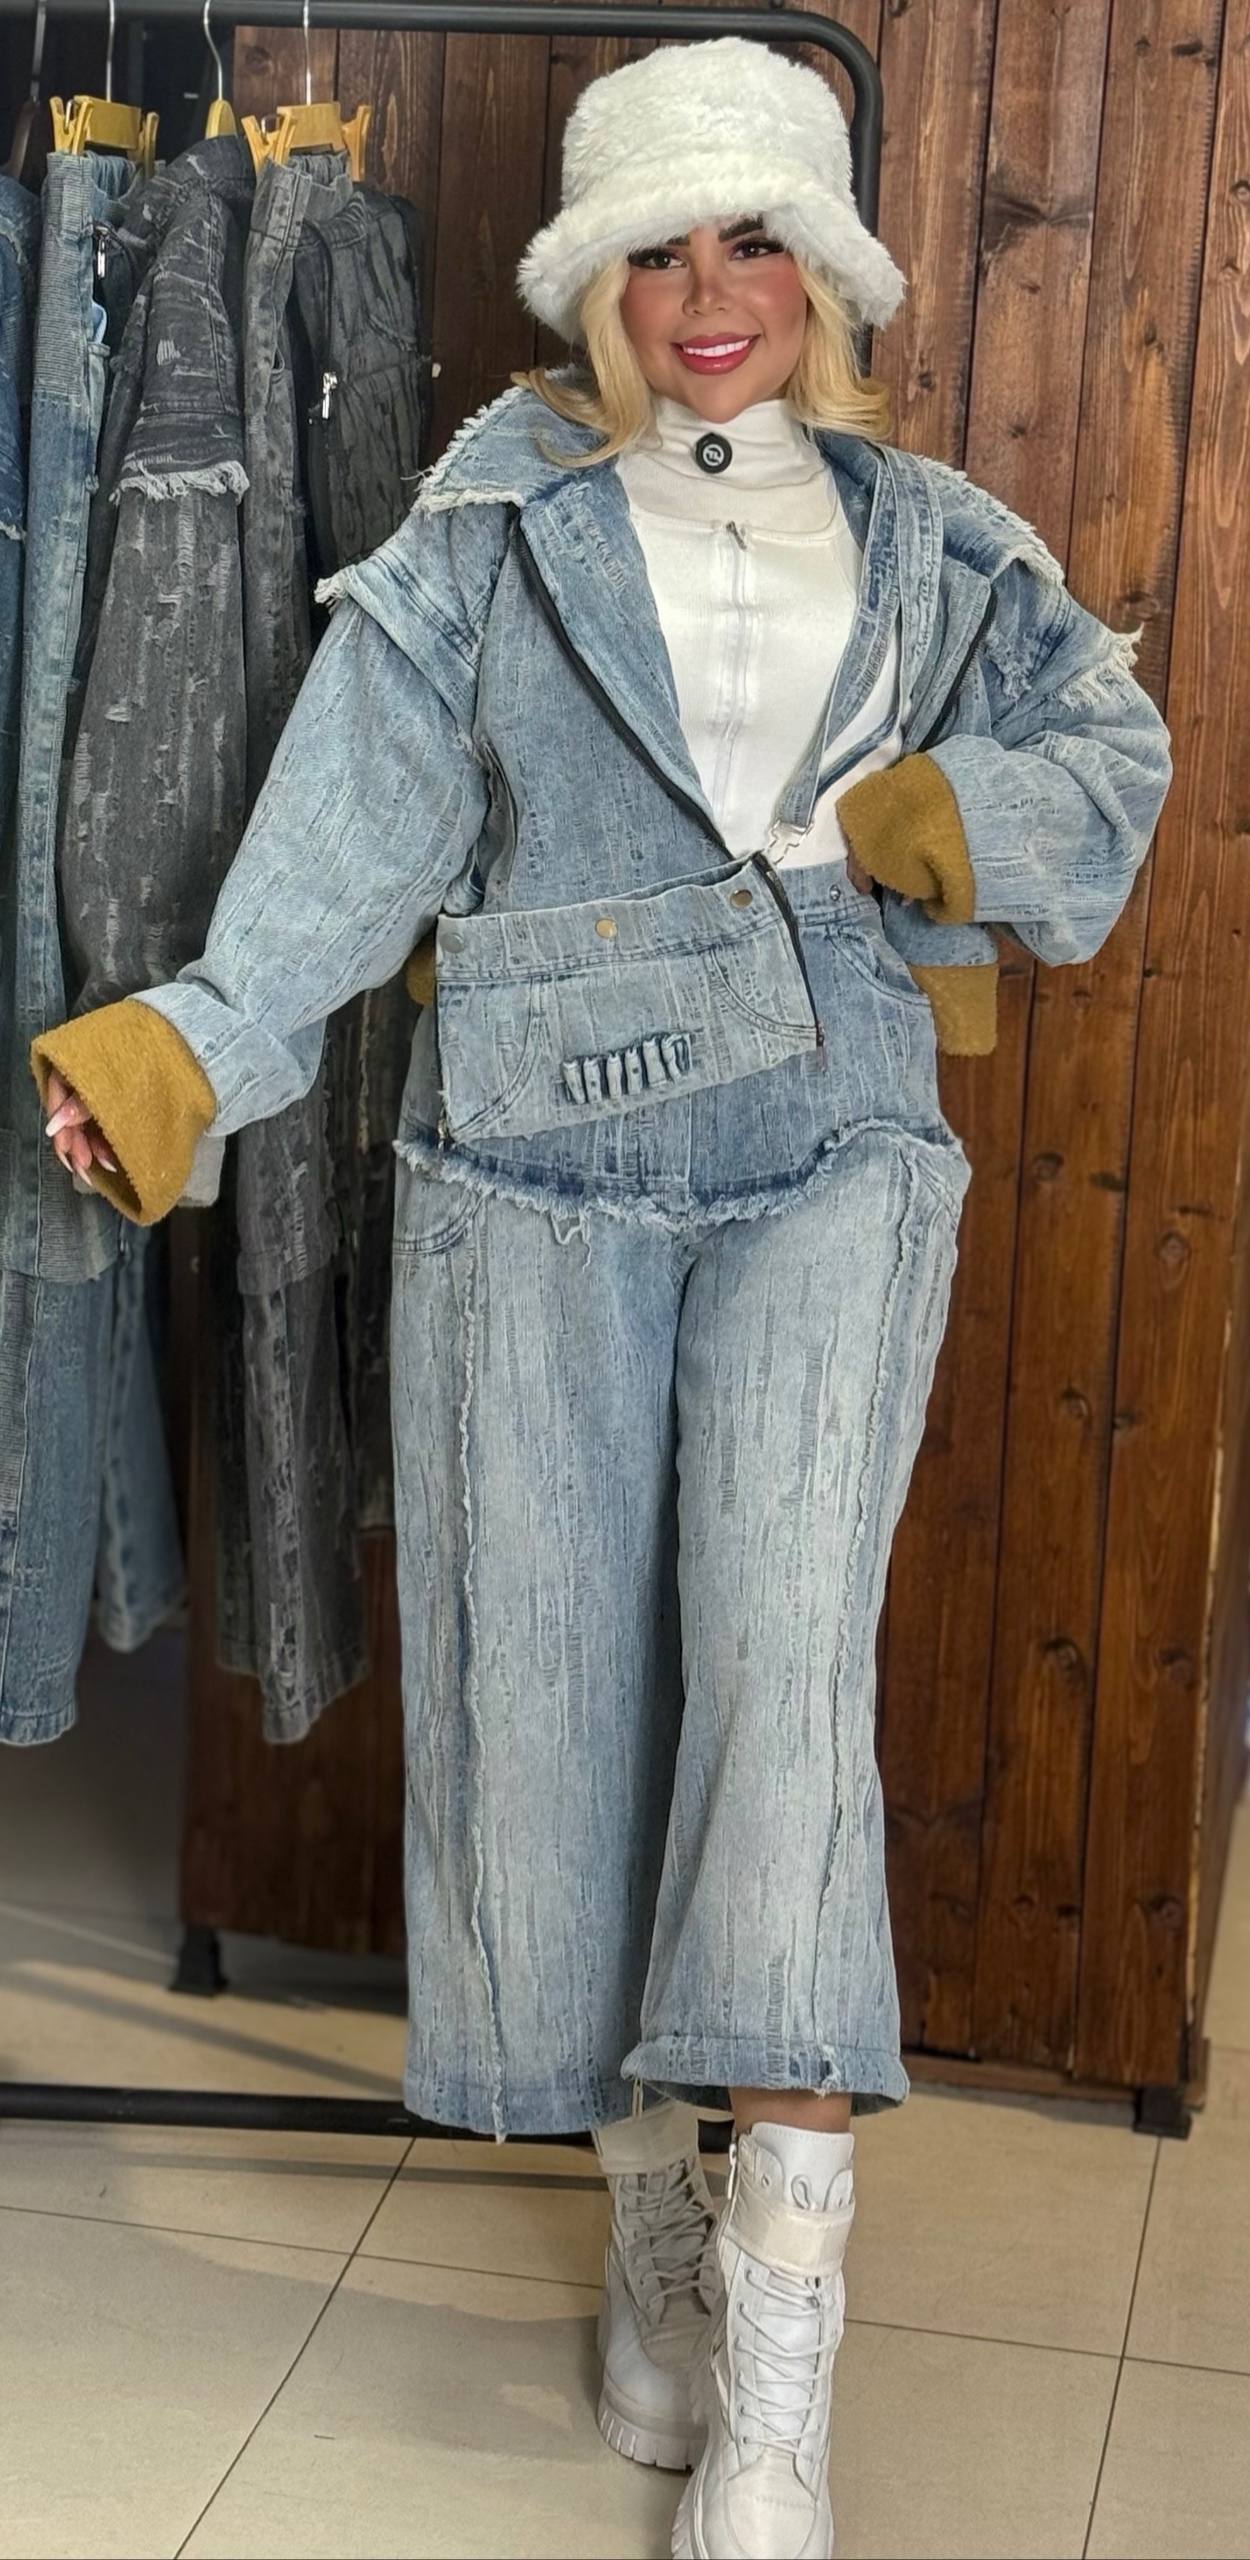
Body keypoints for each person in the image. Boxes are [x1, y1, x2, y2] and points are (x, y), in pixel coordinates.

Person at [33, 38, 1172, 2560]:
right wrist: (193, 1047)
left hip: (832, 1148)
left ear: (827, 271)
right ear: (593, 282)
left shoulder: (935, 539)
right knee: (554, 1694)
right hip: (527, 1161)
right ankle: (653, 2225)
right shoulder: (488, 529)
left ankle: (781, 2350)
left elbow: (1111, 759)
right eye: (658, 247)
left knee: (778, 1679)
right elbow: (346, 840)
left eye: (754, 238)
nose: (708, 291)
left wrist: (951, 815)